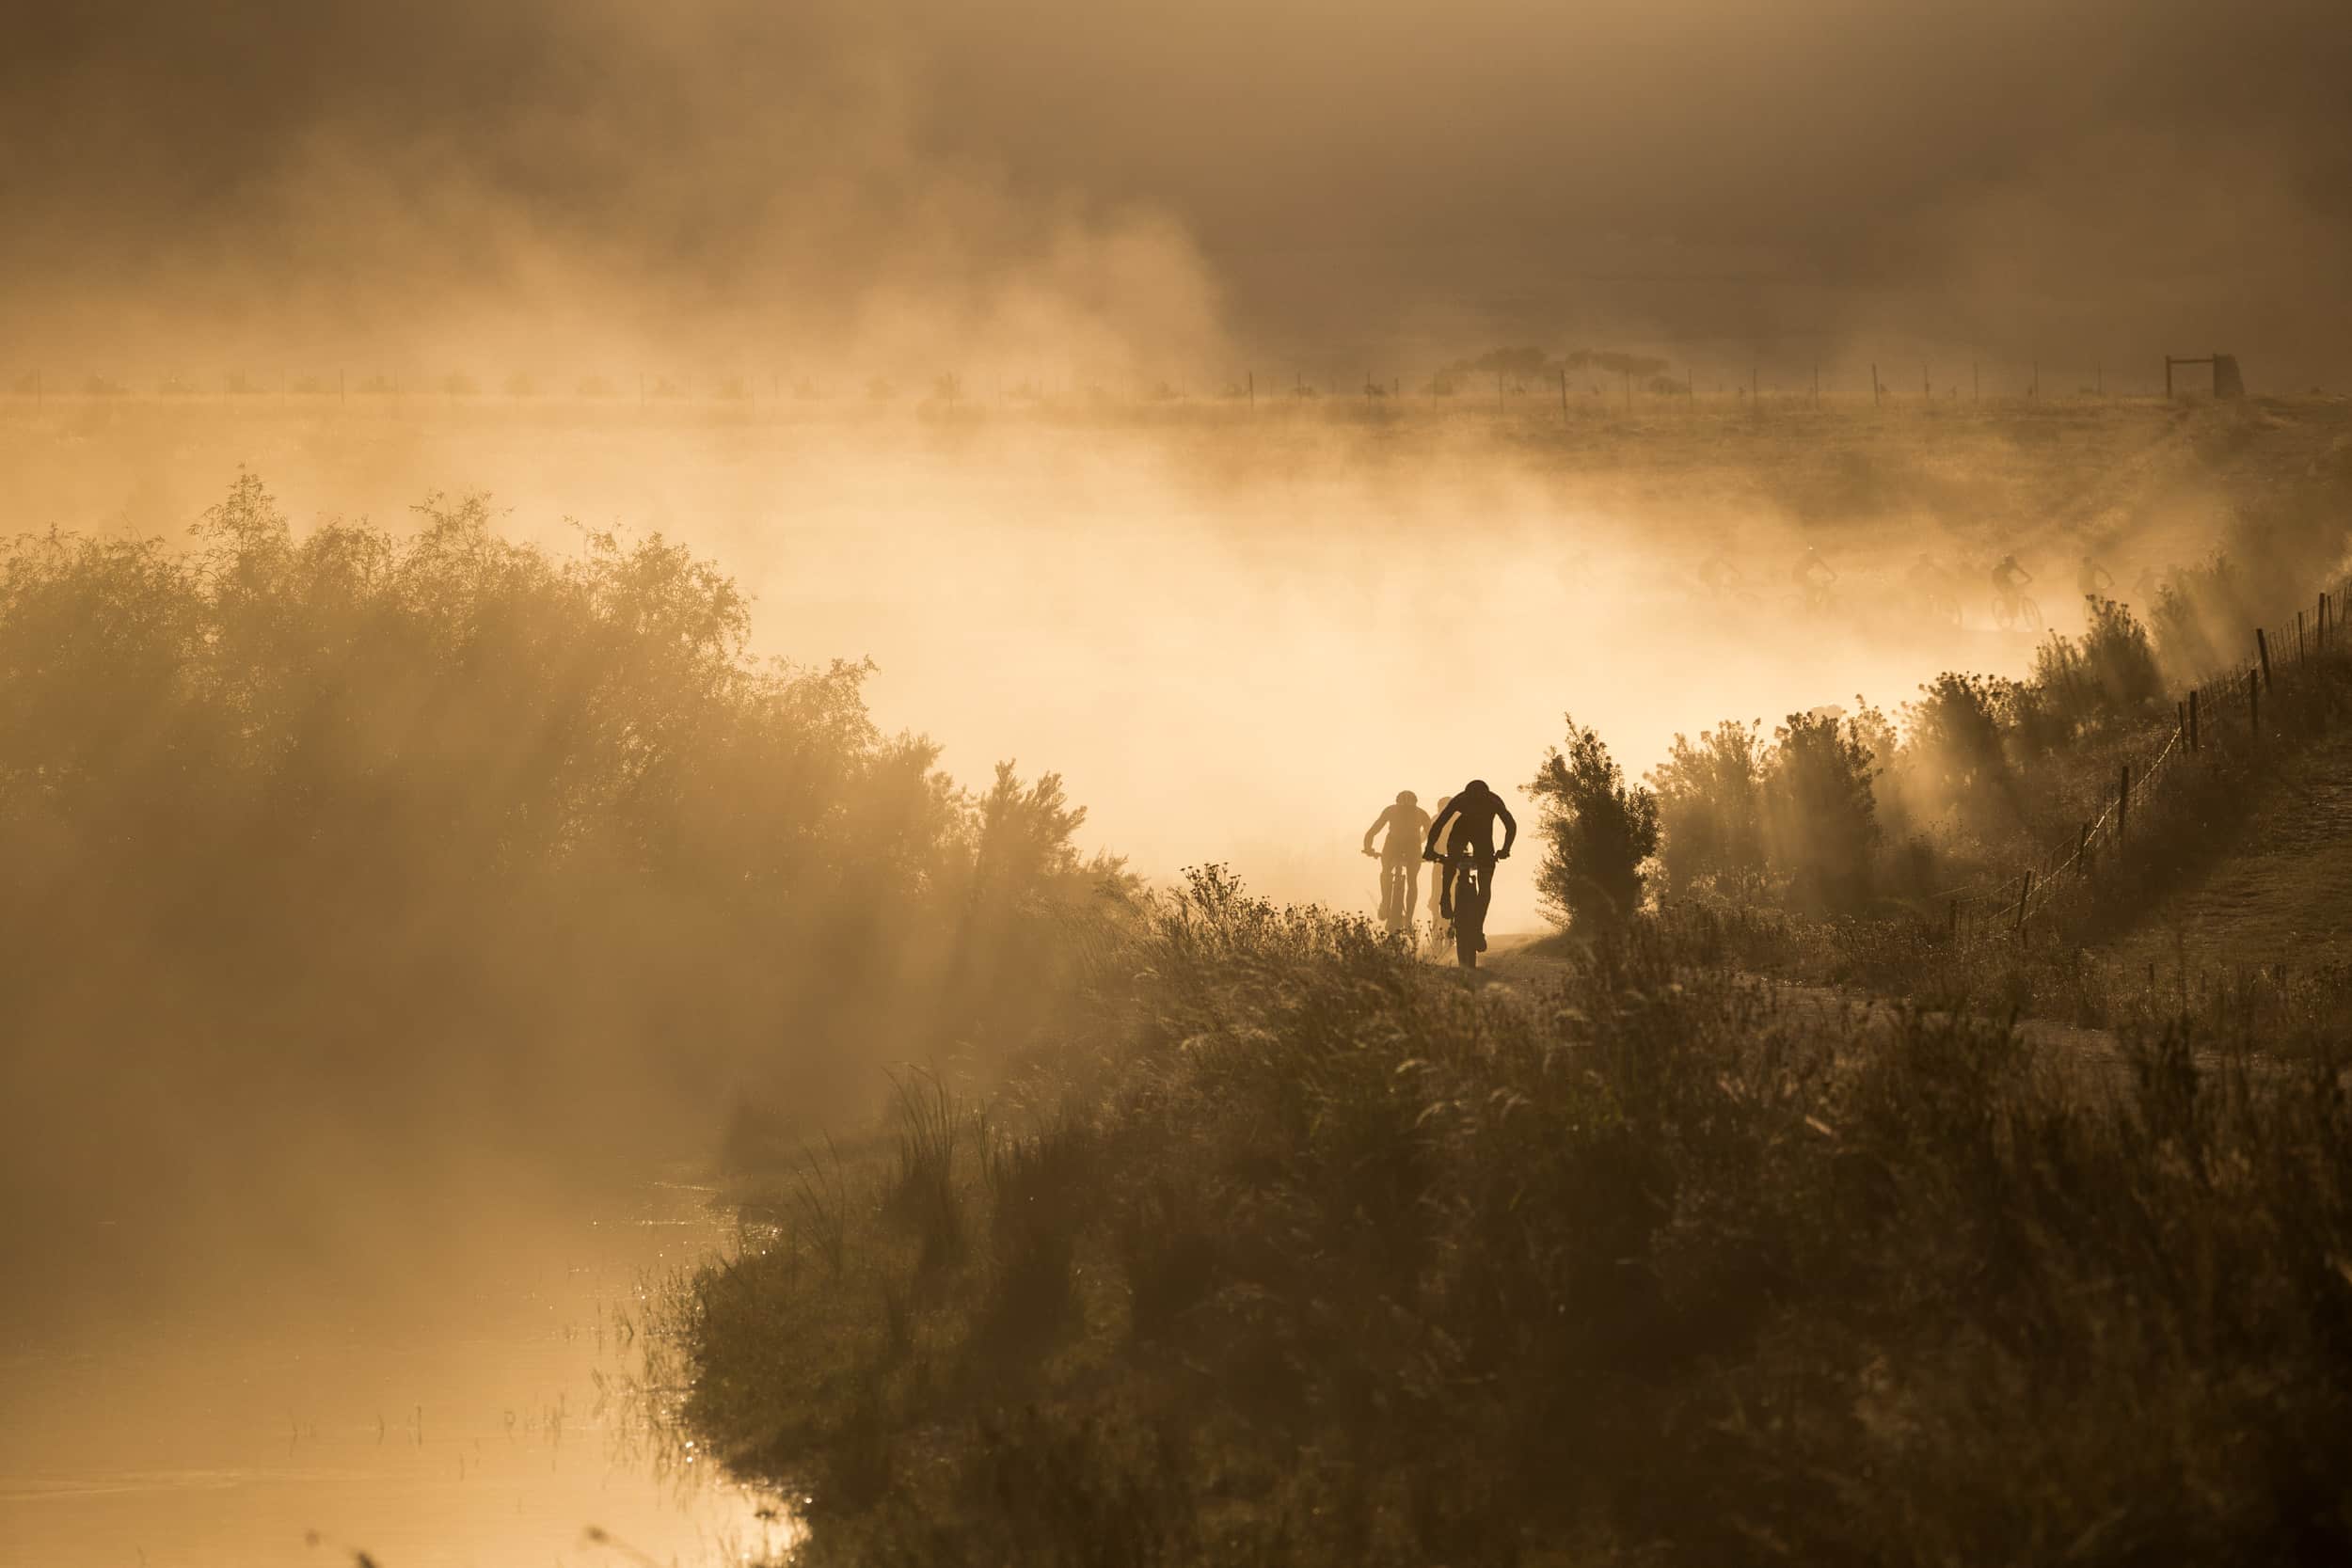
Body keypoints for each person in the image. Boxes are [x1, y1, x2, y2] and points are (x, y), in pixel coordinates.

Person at [1422, 779, 1517, 960]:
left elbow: (1440, 824)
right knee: (1484, 885)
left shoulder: (1465, 799)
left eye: (1477, 800)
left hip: (1470, 835)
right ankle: (1475, 928)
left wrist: (1429, 849)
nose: (1475, 802)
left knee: (1452, 861)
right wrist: (1505, 849)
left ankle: (1445, 900)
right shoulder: (1490, 800)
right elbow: (1510, 825)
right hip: (1476, 836)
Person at [1360, 790, 1433, 932]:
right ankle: (1408, 920)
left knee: (1387, 872)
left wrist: (1368, 848)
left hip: (1396, 846)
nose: (1406, 813)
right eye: (1403, 811)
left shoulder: (1391, 810)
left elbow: (1372, 831)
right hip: (1410, 847)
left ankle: (1386, 903)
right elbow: (1432, 837)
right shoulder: (1421, 813)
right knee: (1412, 881)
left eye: (1408, 811)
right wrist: (1431, 853)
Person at [1790, 546, 1837, 614]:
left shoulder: (1814, 558)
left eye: (1812, 552)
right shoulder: (1804, 558)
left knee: (1814, 588)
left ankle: (1811, 605)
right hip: (1798, 576)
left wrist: (1833, 574)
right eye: (1810, 552)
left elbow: (1824, 566)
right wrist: (1833, 575)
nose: (1811, 554)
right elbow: (1798, 569)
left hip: (1803, 575)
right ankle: (1809, 609)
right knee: (1812, 589)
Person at [1991, 553, 2033, 624]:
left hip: (2004, 578)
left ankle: (2013, 610)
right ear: (2006, 563)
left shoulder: (2013, 565)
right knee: (2008, 592)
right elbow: (1999, 581)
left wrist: (2029, 577)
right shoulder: (2002, 567)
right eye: (2010, 563)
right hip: (1997, 580)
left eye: (2012, 563)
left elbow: (2022, 571)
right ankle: (2007, 609)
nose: (2011, 564)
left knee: (2015, 592)